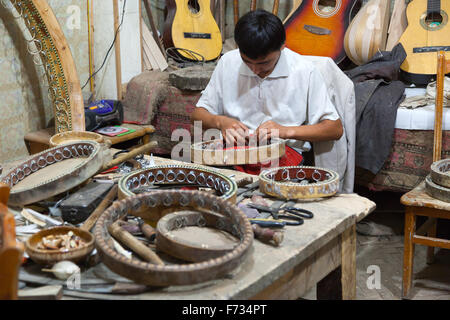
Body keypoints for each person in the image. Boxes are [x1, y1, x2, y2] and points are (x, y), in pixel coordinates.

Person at [191, 9, 343, 172]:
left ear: (283, 46)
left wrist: (285, 131)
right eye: (247, 61)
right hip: (232, 153)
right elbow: (197, 115)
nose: (255, 70)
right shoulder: (228, 62)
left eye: (264, 63)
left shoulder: (305, 71)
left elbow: (334, 128)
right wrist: (221, 122)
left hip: (282, 153)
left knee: (261, 190)